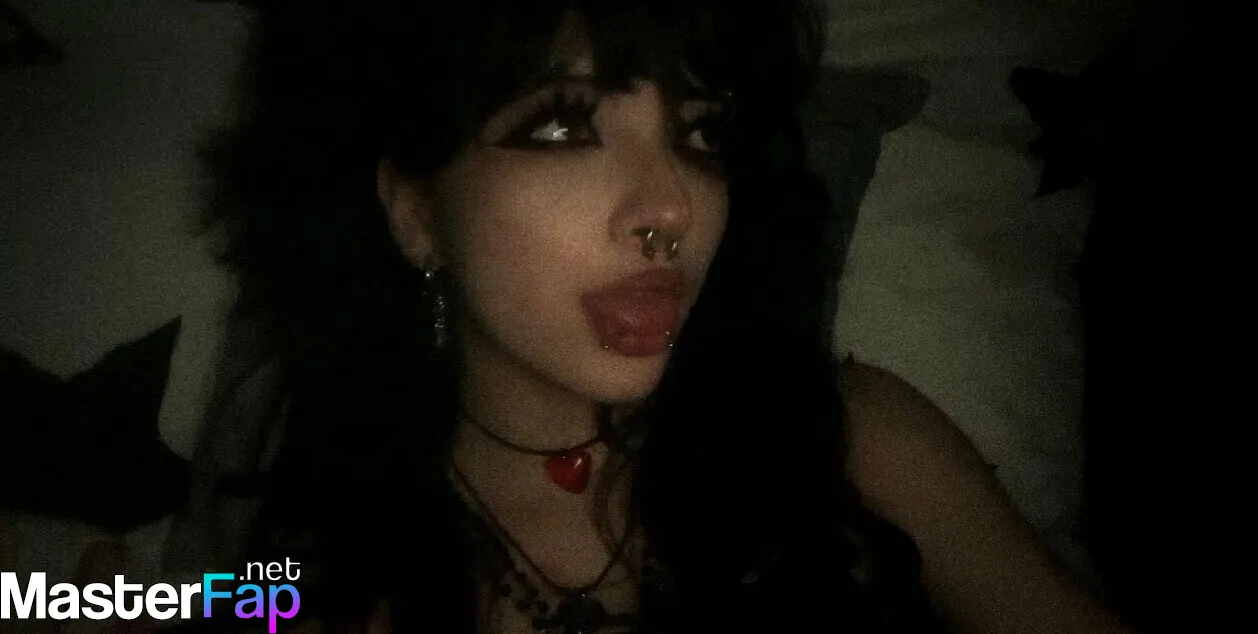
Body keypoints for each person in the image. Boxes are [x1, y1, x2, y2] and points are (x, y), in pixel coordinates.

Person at [187, 1, 1136, 632]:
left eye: (701, 135)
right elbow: (175, 604)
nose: (671, 207)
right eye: (563, 126)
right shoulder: (323, 544)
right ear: (416, 211)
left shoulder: (856, 442)